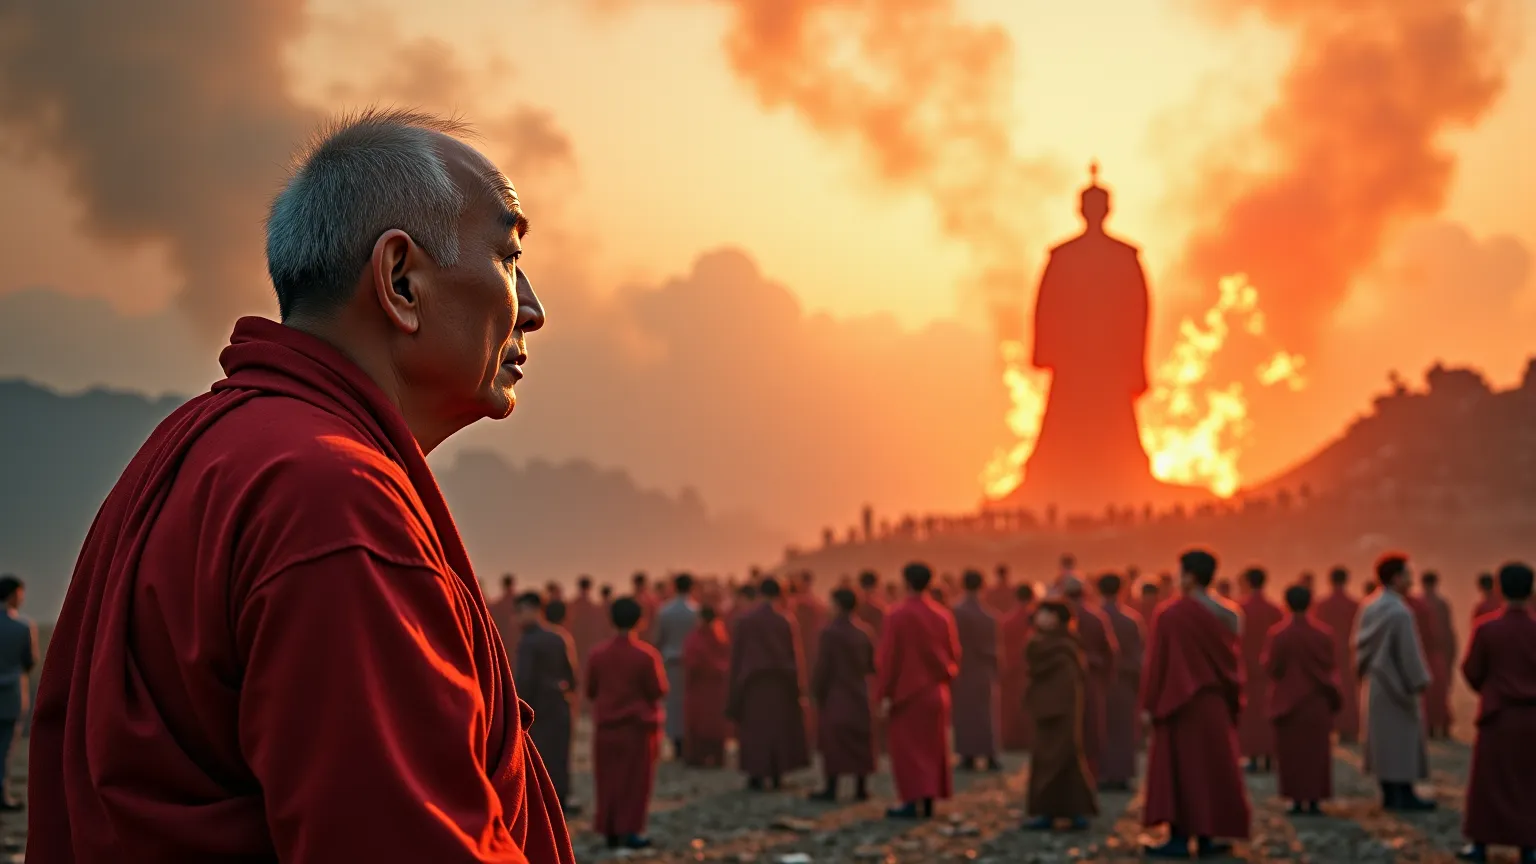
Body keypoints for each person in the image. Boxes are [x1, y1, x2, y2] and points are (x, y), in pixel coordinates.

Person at [28, 110, 572, 864]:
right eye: (510, 257)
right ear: (400, 281)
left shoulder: (200, 450)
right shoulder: (332, 499)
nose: (535, 311)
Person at [1140, 549, 1251, 859]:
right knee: (1211, 768)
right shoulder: (1229, 614)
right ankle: (1206, 835)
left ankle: (1178, 837)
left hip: (1179, 702)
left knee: (1182, 769)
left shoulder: (1170, 614)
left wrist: (1149, 704)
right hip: (1214, 702)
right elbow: (1233, 664)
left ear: (1188, 576)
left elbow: (1158, 664)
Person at [1458, 562, 1536, 864]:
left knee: (1488, 784)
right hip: (1532, 718)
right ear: (1530, 591)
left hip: (1498, 716)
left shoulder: (1487, 628)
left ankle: (1480, 845)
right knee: (1528, 783)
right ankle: (1528, 847)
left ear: (1499, 588)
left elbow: (1471, 670)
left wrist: (1491, 690)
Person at [877, 562, 961, 819]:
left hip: (907, 693)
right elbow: (954, 655)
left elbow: (889, 657)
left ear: (906, 582)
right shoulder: (942, 615)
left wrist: (883, 693)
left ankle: (912, 800)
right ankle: (929, 799)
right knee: (933, 747)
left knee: (909, 750)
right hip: (936, 691)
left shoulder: (897, 615)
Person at [1355, 553, 1435, 811]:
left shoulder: (1369, 606)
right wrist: (1419, 680)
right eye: (1407, 575)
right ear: (1397, 577)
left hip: (1376, 682)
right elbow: (1409, 654)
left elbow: (1357, 646)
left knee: (1383, 741)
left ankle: (1388, 793)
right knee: (1402, 740)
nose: (1411, 581)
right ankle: (1405, 793)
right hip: (1398, 683)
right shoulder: (1400, 612)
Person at [586, 597, 666, 851]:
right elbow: (657, 690)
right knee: (634, 782)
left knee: (608, 781)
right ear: (640, 621)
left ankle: (609, 829)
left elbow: (590, 689)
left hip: (606, 728)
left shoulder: (598, 654)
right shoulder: (646, 655)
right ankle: (629, 830)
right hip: (636, 729)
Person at [1263, 585, 1340, 816]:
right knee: (1316, 753)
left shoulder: (1279, 635)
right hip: (1316, 701)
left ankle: (1296, 799)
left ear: (1286, 604)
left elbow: (1272, 667)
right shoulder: (1323, 634)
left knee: (1293, 754)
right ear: (1311, 603)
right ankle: (1315, 799)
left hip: (1288, 702)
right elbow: (1330, 665)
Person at [728, 577, 810, 790]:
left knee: (755, 730)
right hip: (780, 684)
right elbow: (794, 656)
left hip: (753, 684)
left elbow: (737, 656)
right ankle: (776, 773)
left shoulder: (745, 620)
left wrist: (734, 687)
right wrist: (798, 686)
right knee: (777, 729)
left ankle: (755, 774)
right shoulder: (785, 620)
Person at [1022, 599, 1097, 831]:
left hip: (1063, 711)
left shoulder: (1066, 646)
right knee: (1046, 760)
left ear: (1058, 619)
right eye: (1040, 613)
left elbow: (1072, 682)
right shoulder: (1039, 643)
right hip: (1045, 709)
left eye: (1047, 614)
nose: (1041, 618)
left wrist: (1058, 707)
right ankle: (1050, 811)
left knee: (1064, 758)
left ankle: (1073, 812)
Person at [809, 587, 877, 802]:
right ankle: (860, 788)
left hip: (836, 693)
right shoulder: (864, 632)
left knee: (834, 743)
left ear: (837, 605)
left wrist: (816, 691)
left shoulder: (830, 633)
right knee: (859, 740)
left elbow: (823, 667)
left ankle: (832, 788)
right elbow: (871, 665)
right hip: (859, 692)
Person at [515, 594, 579, 814]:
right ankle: (559, 800)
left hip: (537, 709)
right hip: (559, 706)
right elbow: (572, 678)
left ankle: (542, 804)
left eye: (521, 611)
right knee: (559, 755)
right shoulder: (559, 637)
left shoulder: (528, 641)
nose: (518, 618)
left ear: (535, 609)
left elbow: (524, 681)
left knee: (540, 757)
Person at [1061, 575, 1117, 781]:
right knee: (1090, 732)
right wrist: (1104, 680)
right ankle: (1090, 777)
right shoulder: (1096, 618)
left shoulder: (1060, 620)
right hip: (1092, 682)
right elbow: (1110, 653)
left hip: (1065, 683)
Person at [1096, 573, 1144, 790]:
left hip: (1098, 683)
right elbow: (1138, 656)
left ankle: (1099, 773)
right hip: (1124, 681)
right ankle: (1121, 775)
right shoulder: (1131, 620)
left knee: (1098, 727)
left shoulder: (1093, 618)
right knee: (1123, 730)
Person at [952, 570, 1002, 772]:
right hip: (984, 669)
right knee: (986, 714)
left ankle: (968, 756)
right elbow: (995, 647)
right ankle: (990, 754)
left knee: (965, 714)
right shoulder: (988, 615)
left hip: (963, 669)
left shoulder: (957, 612)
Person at [1238, 567, 1283, 773]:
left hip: (1246, 668)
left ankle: (1253, 757)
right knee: (1268, 712)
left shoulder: (1240, 608)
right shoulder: (1275, 609)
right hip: (1270, 670)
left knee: (1250, 714)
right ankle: (1270, 756)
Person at [652, 573, 700, 759]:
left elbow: (659, 639)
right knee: (687, 702)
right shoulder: (695, 611)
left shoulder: (665, 611)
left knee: (673, 704)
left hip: (671, 661)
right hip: (690, 663)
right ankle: (687, 741)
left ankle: (676, 744)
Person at [0, 575, 36, 810]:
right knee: (4, 748)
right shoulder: (22, 627)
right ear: (14, 594)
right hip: (11, 694)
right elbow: (29, 661)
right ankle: (2, 795)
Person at [1314, 566, 1361, 743]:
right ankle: (1350, 728)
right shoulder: (1355, 605)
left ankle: (1332, 725)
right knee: (1349, 690)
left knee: (1329, 690)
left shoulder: (1321, 605)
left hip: (1328, 654)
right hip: (1349, 653)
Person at [1000, 583, 1039, 752]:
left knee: (1011, 706)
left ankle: (1011, 740)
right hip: (1032, 669)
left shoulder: (1006, 620)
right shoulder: (1036, 620)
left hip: (1011, 669)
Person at [1419, 571, 1457, 739]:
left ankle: (1429, 727)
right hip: (1438, 652)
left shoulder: (1417, 603)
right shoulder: (1441, 603)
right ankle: (1442, 725)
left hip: (1423, 653)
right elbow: (1448, 630)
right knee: (1441, 691)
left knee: (1426, 693)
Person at [567, 577, 605, 715]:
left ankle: (578, 706)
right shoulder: (594, 607)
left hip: (574, 644)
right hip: (589, 644)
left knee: (577, 674)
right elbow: (598, 628)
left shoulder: (572, 605)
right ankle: (586, 706)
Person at [854, 570, 885, 636]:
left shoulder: (856, 603)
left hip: (859, 641)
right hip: (876, 640)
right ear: (875, 584)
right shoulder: (880, 605)